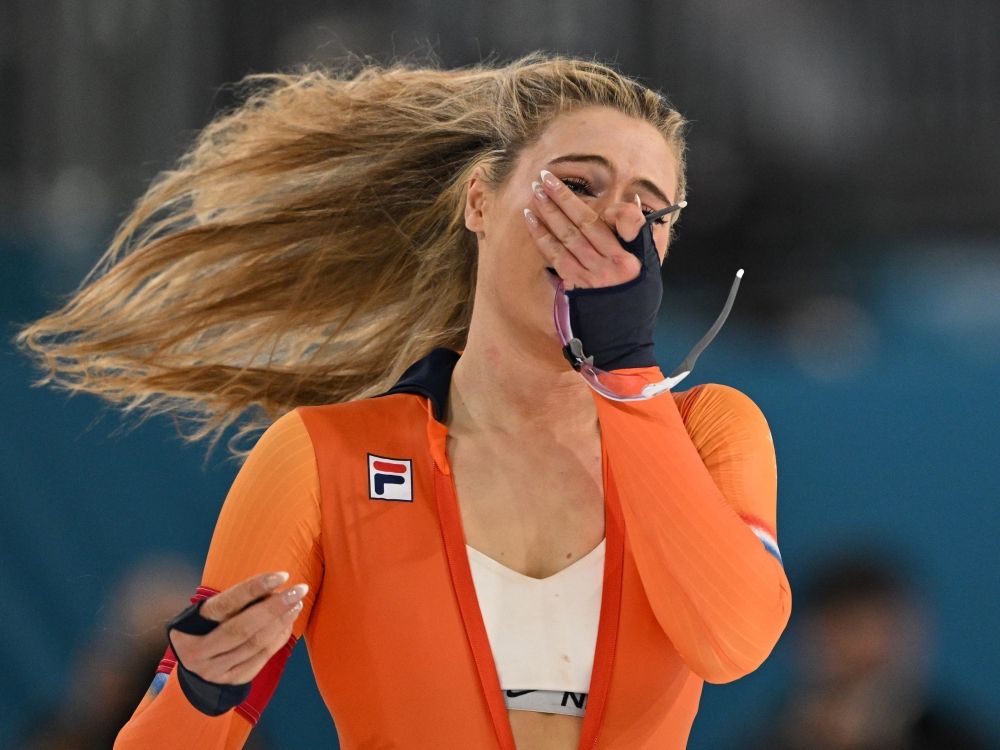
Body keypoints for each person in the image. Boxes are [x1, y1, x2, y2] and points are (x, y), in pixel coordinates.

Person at [15, 53, 792, 749]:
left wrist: (625, 373)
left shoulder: (710, 431)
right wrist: (201, 690)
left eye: (647, 211)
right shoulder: (322, 457)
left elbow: (732, 645)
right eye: (578, 187)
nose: (608, 228)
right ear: (479, 202)